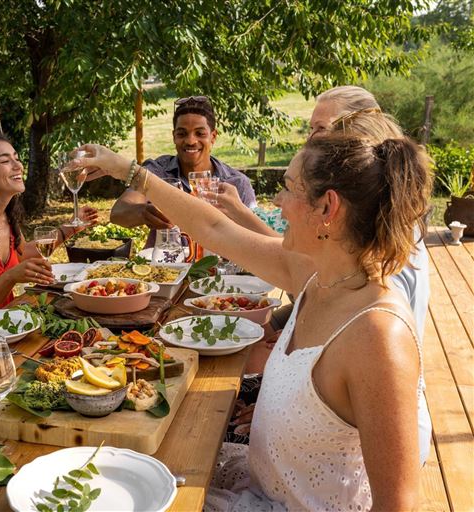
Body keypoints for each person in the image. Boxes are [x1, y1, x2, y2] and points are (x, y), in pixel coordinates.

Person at [78, 127, 431, 510]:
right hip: (260, 489)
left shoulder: (377, 334)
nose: (277, 201)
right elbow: (214, 227)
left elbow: (398, 505)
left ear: (327, 208)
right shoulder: (317, 277)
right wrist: (130, 171)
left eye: (289, 188)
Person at [213, 87, 433, 464]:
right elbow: (311, 290)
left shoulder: (381, 296)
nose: (315, 141)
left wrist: (284, 412)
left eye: (324, 131)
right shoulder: (350, 257)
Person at [0, 132, 98, 347]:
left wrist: (68, 229)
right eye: (5, 161)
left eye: (17, 158)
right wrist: (10, 277)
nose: (18, 166)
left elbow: (22, 254)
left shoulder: (5, 216)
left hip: (4, 332)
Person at [110, 95, 256, 248]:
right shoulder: (158, 171)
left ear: (213, 137)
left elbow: (256, 240)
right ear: (174, 136)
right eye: (182, 133)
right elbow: (118, 213)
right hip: (165, 268)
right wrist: (144, 212)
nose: (191, 141)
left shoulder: (236, 183)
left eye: (200, 133)